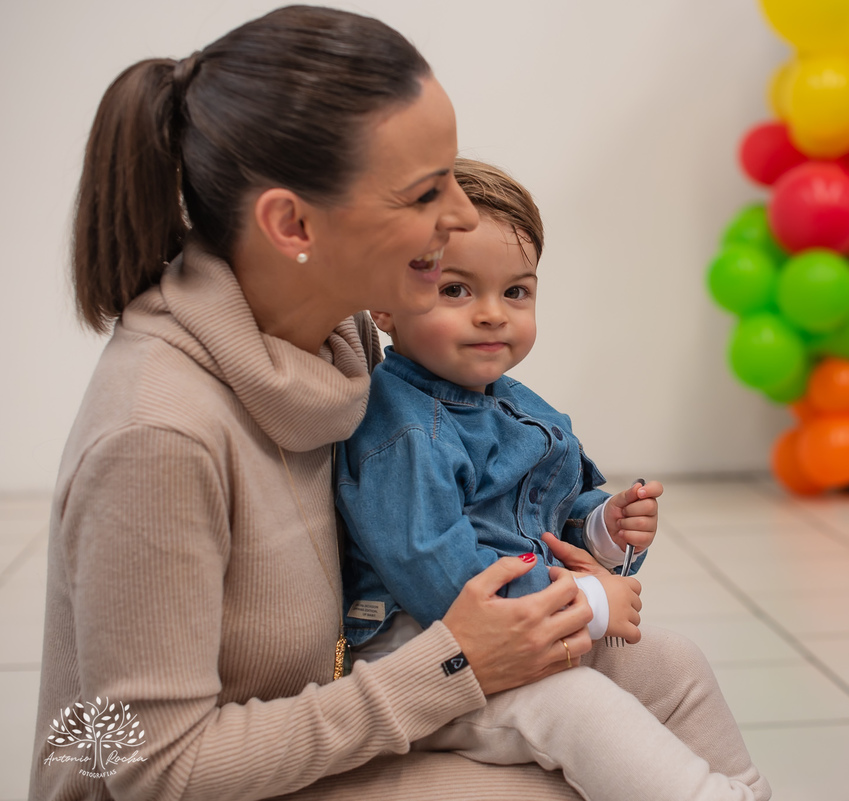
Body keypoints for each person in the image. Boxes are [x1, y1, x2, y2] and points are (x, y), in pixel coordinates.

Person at [31, 7, 764, 799]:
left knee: (667, 668)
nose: (461, 215)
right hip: (212, 780)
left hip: (321, 711)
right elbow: (153, 769)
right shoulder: (154, 435)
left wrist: (566, 564)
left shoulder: (337, 338)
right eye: (424, 192)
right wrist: (455, 663)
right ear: (293, 224)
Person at [335, 157, 767, 801]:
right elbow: (442, 579)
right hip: (427, 655)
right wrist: (587, 603)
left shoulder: (512, 404)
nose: (492, 314)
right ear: (384, 304)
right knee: (578, 708)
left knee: (675, 662)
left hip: (522, 624)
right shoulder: (400, 431)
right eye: (455, 290)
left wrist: (603, 528)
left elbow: (549, 513)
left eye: (516, 292)